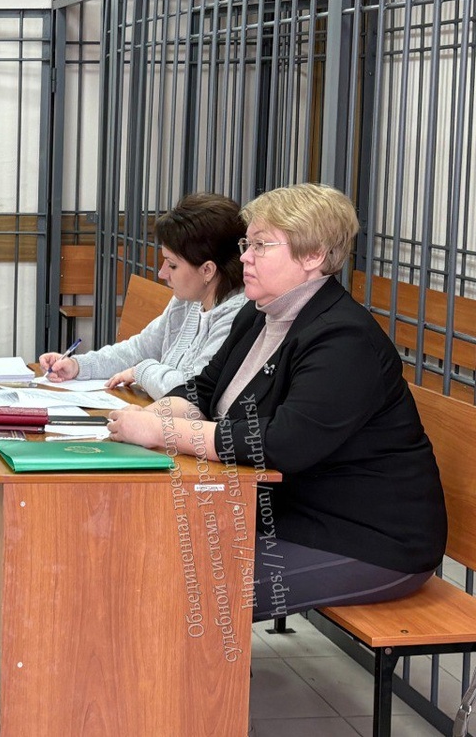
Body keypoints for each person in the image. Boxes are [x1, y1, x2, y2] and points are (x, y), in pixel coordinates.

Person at [106, 183, 447, 619]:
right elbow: (204, 390)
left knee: (185, 589)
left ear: (313, 256)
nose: (245, 257)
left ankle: (184, 666)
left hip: (368, 538)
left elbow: (283, 443)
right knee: (136, 552)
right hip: (285, 513)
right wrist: (142, 419)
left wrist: (163, 432)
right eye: (247, 244)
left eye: (261, 245)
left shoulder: (343, 338)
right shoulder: (258, 313)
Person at [40, 193, 247, 399]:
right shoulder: (189, 300)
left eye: (172, 265)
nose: (162, 273)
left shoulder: (236, 319)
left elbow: (192, 390)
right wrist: (79, 365)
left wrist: (140, 371)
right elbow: (140, 348)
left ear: (207, 270)